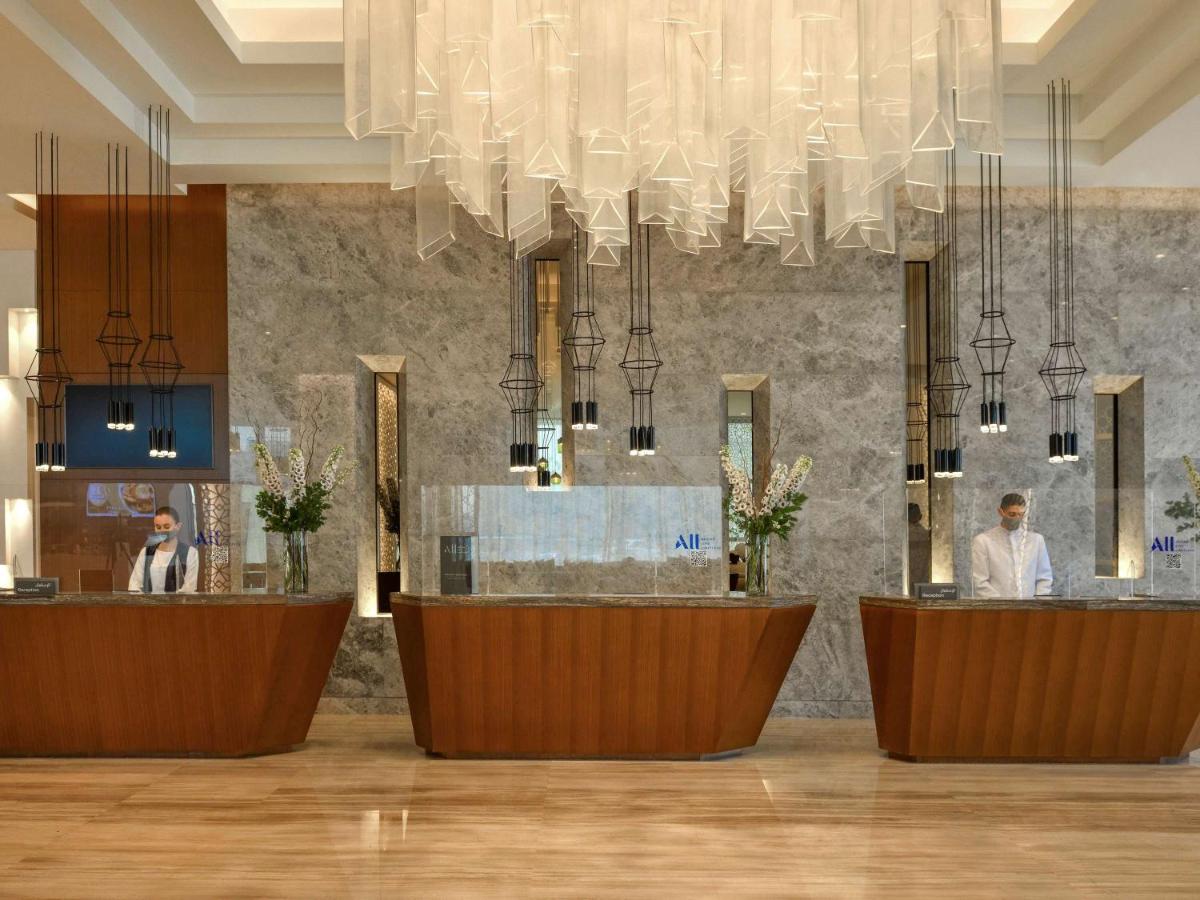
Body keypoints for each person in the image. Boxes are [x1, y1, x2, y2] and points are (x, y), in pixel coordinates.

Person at [971, 493, 1052, 598]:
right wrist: (1002, 604)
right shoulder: (983, 541)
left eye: (1021, 514)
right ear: (1001, 512)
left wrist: (1038, 603)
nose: (1017, 518)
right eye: (1012, 514)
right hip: (996, 606)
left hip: (1031, 606)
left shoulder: (1036, 541)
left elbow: (1044, 579)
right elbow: (980, 581)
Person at [128, 506, 198, 593]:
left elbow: (189, 587)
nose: (162, 530)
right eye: (158, 527)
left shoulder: (190, 553)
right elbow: (135, 584)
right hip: (148, 601)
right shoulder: (146, 552)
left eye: (167, 526)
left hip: (177, 601)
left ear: (178, 526)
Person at [907, 502, 931, 595]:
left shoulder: (922, 531)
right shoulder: (906, 531)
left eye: (915, 513)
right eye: (912, 513)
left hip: (922, 569)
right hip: (911, 570)